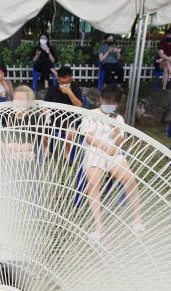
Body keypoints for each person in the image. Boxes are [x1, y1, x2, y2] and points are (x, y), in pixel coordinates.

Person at [79, 85, 143, 242]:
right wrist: (106, 147)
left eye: (113, 104)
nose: (110, 105)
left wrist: (115, 128)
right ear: (101, 99)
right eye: (107, 101)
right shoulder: (90, 115)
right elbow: (88, 138)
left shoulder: (118, 118)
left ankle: (138, 220)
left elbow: (120, 141)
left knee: (129, 179)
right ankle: (99, 226)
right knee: (93, 182)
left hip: (114, 153)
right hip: (95, 150)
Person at [44, 66, 84, 162]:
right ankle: (46, 151)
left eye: (66, 82)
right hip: (53, 117)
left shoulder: (76, 90)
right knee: (41, 126)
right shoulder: (53, 90)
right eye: (61, 82)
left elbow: (79, 105)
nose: (63, 84)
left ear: (70, 79)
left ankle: (67, 155)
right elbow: (45, 104)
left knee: (71, 131)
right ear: (58, 80)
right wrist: (45, 111)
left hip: (69, 118)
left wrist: (69, 92)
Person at [0, 85, 48, 157]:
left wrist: (15, 148)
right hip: (8, 155)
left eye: (20, 99)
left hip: (27, 155)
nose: (17, 101)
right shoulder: (6, 115)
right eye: (15, 98)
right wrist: (7, 146)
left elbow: (33, 144)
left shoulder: (35, 117)